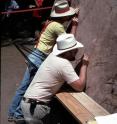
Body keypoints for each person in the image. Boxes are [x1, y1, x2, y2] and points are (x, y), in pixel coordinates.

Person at [8, 0, 80, 123]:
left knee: (24, 86)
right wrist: (74, 25)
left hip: (34, 56)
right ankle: (17, 113)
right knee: (29, 88)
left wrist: (71, 17)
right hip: (39, 58)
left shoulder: (51, 23)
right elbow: (68, 39)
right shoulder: (58, 26)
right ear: (65, 16)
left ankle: (13, 112)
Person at [21, 33, 89, 124]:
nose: (76, 51)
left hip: (29, 104)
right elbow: (80, 86)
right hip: (36, 107)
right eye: (74, 50)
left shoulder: (53, 55)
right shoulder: (63, 63)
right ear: (67, 52)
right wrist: (84, 65)